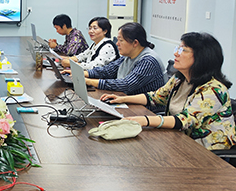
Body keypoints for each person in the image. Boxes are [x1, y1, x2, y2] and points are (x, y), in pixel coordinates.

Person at [102, 32, 235, 150]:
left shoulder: (214, 90)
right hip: (178, 141)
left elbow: (185, 120)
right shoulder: (179, 79)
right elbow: (156, 97)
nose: (176, 53)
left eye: (183, 50)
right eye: (177, 48)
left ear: (202, 57)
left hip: (206, 151)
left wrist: (145, 120)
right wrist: (122, 99)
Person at [73, 22, 166, 94]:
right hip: (127, 99)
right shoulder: (128, 55)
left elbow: (126, 84)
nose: (117, 43)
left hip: (144, 109)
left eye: (121, 40)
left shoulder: (148, 61)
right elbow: (108, 70)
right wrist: (84, 73)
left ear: (135, 43)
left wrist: (89, 81)